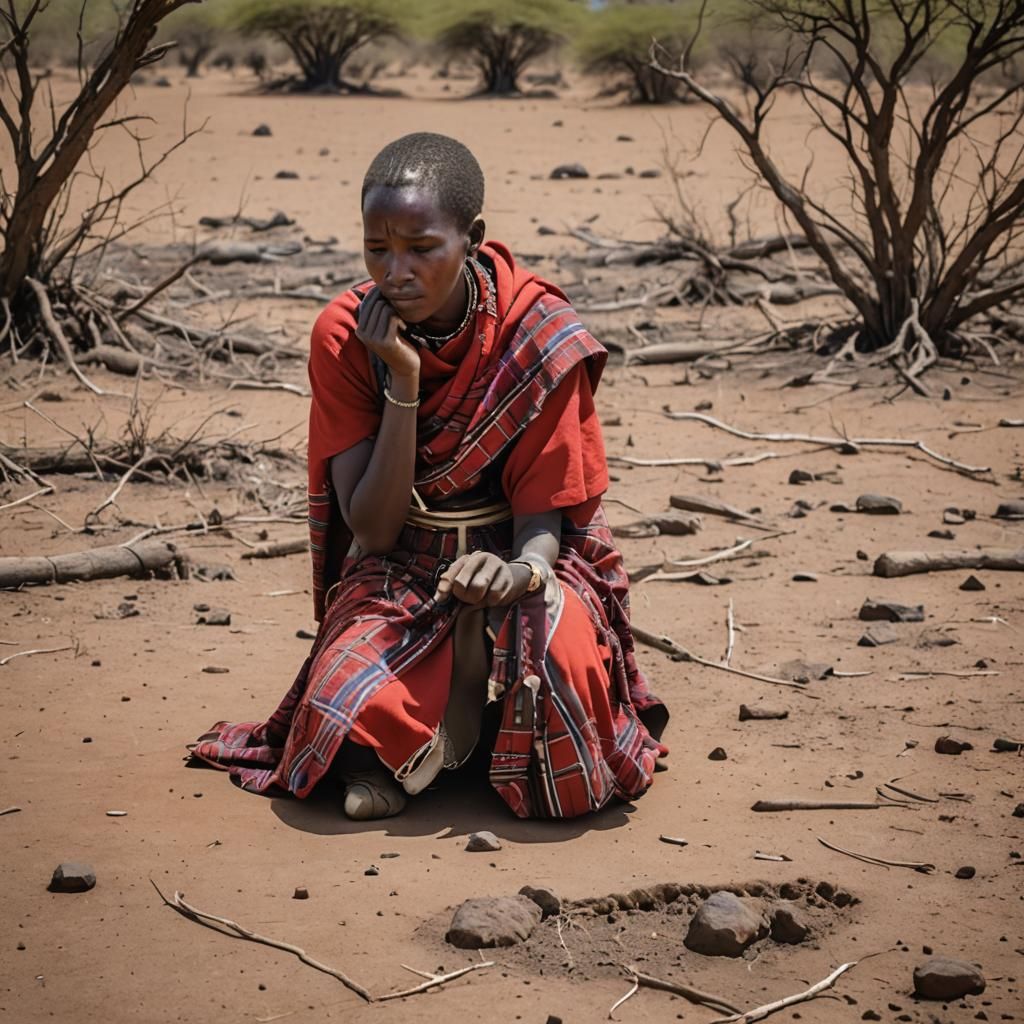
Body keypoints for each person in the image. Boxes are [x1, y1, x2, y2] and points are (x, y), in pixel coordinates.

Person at [191, 132, 668, 820]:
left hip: (530, 561)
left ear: (472, 237)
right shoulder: (345, 334)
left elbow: (544, 521)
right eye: (376, 249)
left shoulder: (538, 333)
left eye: (421, 249)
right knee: (338, 704)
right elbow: (374, 529)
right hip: (405, 562)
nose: (395, 272)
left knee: (560, 672)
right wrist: (404, 382)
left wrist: (518, 576)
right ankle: (442, 741)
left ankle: (460, 744)